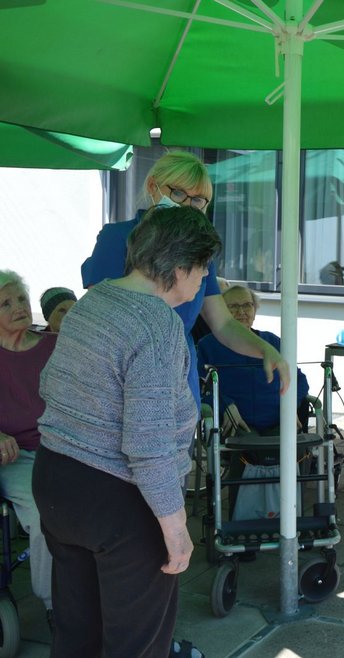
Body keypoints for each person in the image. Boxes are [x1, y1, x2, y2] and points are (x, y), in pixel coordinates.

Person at [34, 206, 222, 657]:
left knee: (76, 635)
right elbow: (148, 443)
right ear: (179, 267)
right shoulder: (156, 323)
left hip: (57, 480)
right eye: (203, 268)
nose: (204, 279)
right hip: (119, 498)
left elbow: (49, 384)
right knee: (136, 644)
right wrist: (175, 528)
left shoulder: (93, 301)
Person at [80, 150, 290, 404]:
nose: (187, 205)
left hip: (178, 376)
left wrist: (265, 349)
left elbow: (223, 323)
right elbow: (99, 320)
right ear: (153, 186)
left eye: (198, 200)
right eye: (179, 193)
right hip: (121, 375)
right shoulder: (117, 237)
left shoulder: (200, 251)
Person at [0, 271, 55, 628]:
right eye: (5, 304)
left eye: (21, 298)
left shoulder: (55, 346)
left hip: (62, 449)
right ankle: (55, 603)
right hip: (15, 456)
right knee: (44, 510)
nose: (18, 307)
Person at [197, 285, 309, 436]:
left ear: (255, 310)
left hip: (278, 420)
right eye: (233, 306)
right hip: (235, 422)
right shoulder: (208, 346)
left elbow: (300, 381)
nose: (241, 312)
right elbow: (199, 389)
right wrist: (225, 405)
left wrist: (290, 406)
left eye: (247, 305)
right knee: (246, 444)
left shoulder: (272, 342)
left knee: (289, 442)